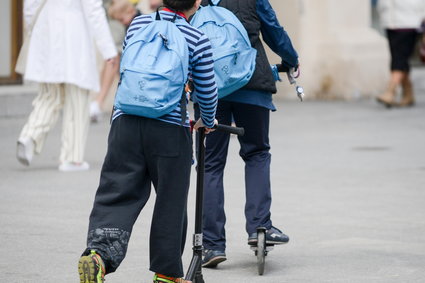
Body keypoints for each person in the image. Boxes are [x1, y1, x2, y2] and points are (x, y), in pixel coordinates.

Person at [77, 0, 218, 282]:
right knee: (170, 199)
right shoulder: (197, 38)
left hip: (125, 122)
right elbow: (207, 89)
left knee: (116, 190)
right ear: (197, 3)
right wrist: (209, 120)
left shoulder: (139, 24)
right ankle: (166, 274)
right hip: (168, 129)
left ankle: (98, 256)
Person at [194, 0, 299, 268]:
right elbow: (273, 29)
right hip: (251, 82)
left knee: (211, 163)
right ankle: (260, 227)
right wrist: (291, 60)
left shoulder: (196, 2)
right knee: (257, 153)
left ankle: (211, 245)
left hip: (210, 88)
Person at [17, 0, 118, 171]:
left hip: (46, 28)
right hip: (74, 31)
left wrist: (32, 28)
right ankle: (72, 158)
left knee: (49, 95)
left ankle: (30, 135)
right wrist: (108, 49)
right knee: (77, 97)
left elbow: (30, 6)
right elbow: (93, 9)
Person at [376, 0, 425, 107]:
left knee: (399, 58)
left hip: (410, 21)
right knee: (399, 57)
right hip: (390, 21)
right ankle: (408, 94)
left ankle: (390, 92)